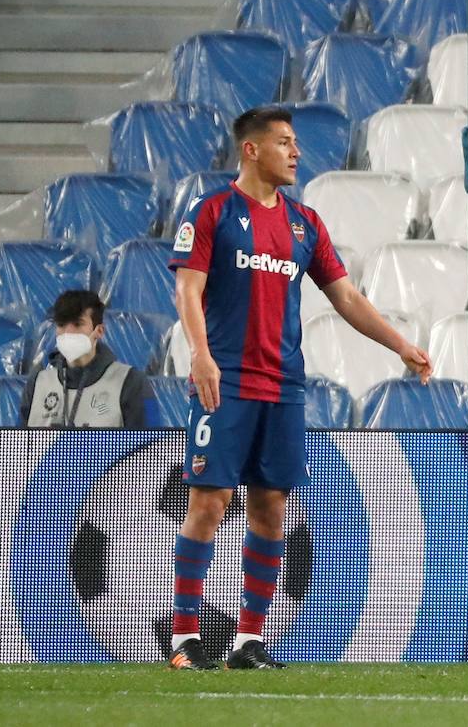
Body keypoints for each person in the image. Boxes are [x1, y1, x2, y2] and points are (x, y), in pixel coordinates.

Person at [166, 105, 432, 670]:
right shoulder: (212, 211)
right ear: (252, 149)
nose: (296, 152)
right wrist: (201, 355)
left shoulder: (304, 223)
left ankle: (248, 642)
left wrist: (400, 345)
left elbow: (347, 298)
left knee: (270, 510)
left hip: (284, 386)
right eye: (285, 142)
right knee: (209, 504)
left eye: (295, 142)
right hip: (227, 381)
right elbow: (188, 290)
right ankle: (184, 640)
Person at [19, 289, 150, 428]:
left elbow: (151, 446)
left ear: (99, 331)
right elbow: (17, 444)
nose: (68, 333)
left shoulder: (131, 382)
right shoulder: (37, 382)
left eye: (77, 324)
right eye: (62, 325)